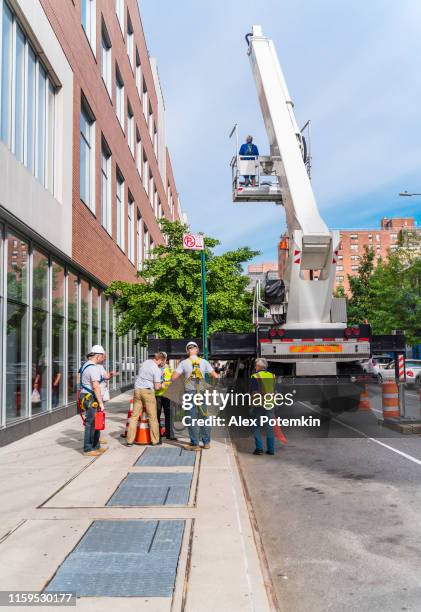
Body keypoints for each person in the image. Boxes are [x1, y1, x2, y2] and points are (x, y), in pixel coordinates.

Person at [172, 341, 219, 451]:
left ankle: (195, 444)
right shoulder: (204, 362)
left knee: (191, 417)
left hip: (189, 393)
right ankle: (206, 442)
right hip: (201, 392)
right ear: (197, 350)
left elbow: (174, 378)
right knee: (204, 416)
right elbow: (216, 376)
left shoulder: (184, 363)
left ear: (187, 351)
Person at [126, 352, 166, 447]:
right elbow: (157, 387)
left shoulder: (145, 363)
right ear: (160, 359)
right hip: (147, 392)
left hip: (137, 390)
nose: (163, 363)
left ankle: (129, 441)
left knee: (134, 416)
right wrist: (162, 385)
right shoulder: (156, 369)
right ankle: (155, 440)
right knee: (153, 417)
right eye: (163, 361)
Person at [79, 345, 107, 457]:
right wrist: (100, 402)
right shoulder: (93, 368)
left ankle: (96, 446)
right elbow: (95, 386)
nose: (103, 358)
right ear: (98, 356)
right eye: (102, 356)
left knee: (96, 423)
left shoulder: (86, 365)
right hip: (90, 397)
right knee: (90, 424)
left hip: (87, 396)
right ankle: (88, 448)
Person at [250, 358, 276, 456]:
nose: (255, 367)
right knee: (270, 427)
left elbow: (254, 392)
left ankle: (259, 449)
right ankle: (271, 450)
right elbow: (275, 390)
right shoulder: (272, 376)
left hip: (259, 405)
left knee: (255, 425)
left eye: (256, 365)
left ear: (259, 367)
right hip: (270, 404)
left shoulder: (255, 376)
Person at [155, 353, 177, 442]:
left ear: (166, 359)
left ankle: (170, 435)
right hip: (157, 395)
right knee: (156, 415)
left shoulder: (170, 369)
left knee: (169, 415)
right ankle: (157, 435)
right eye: (161, 358)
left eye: (164, 359)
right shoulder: (154, 368)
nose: (162, 360)